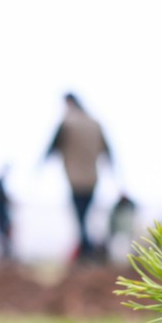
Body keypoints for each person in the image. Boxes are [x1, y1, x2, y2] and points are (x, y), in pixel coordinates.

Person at [44, 93, 112, 263]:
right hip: (92, 179)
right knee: (84, 217)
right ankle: (88, 250)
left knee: (80, 218)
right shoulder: (95, 123)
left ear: (69, 103)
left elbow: (51, 146)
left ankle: (86, 252)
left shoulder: (67, 123)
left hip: (75, 180)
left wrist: (39, 166)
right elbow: (109, 150)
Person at [106, 192, 137, 265]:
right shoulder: (116, 210)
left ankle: (125, 265)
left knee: (126, 252)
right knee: (118, 252)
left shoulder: (129, 208)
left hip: (126, 233)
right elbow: (112, 222)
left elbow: (134, 206)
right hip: (118, 233)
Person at [0, 168, 15, 262]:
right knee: (2, 235)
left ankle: (6, 255)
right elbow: (2, 196)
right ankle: (2, 256)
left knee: (5, 235)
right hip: (0, 215)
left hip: (3, 215)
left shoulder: (0, 184)